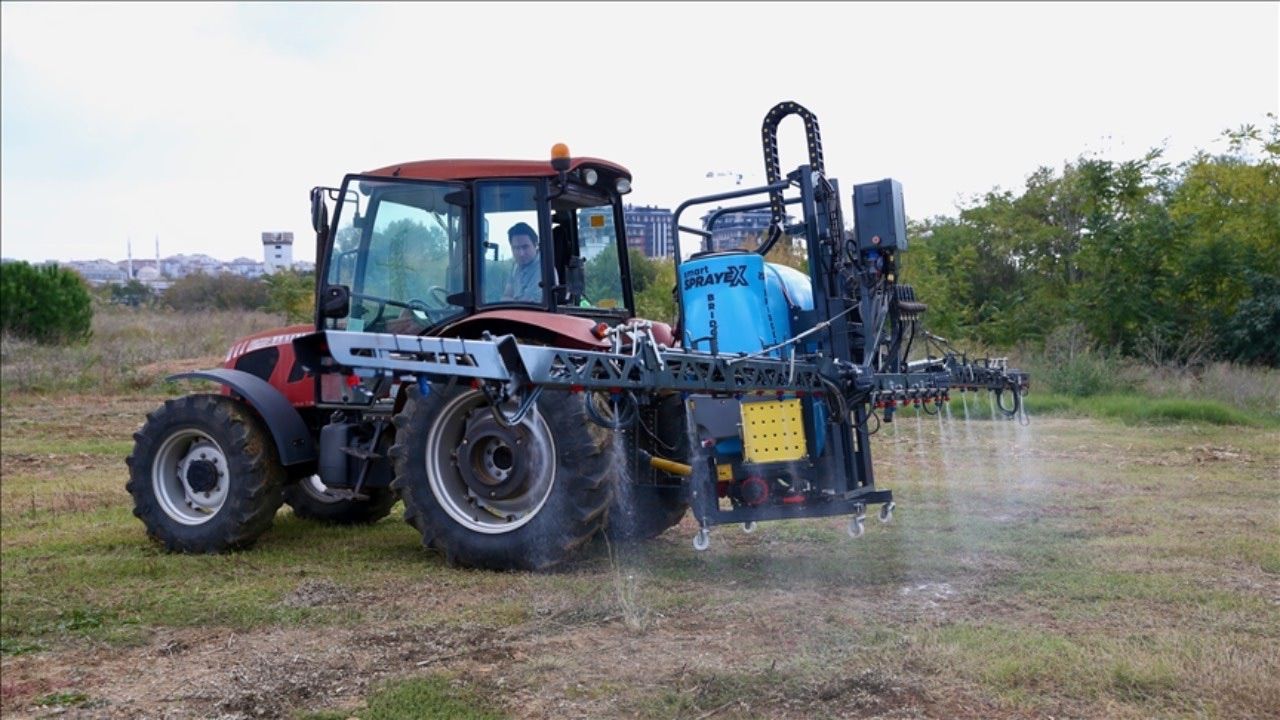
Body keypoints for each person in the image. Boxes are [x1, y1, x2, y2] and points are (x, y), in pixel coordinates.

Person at [501, 222, 545, 302]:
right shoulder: (515, 266)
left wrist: (512, 300)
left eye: (525, 247)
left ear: (535, 245)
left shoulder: (543, 269)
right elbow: (505, 297)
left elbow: (528, 305)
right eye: (516, 248)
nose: (521, 253)